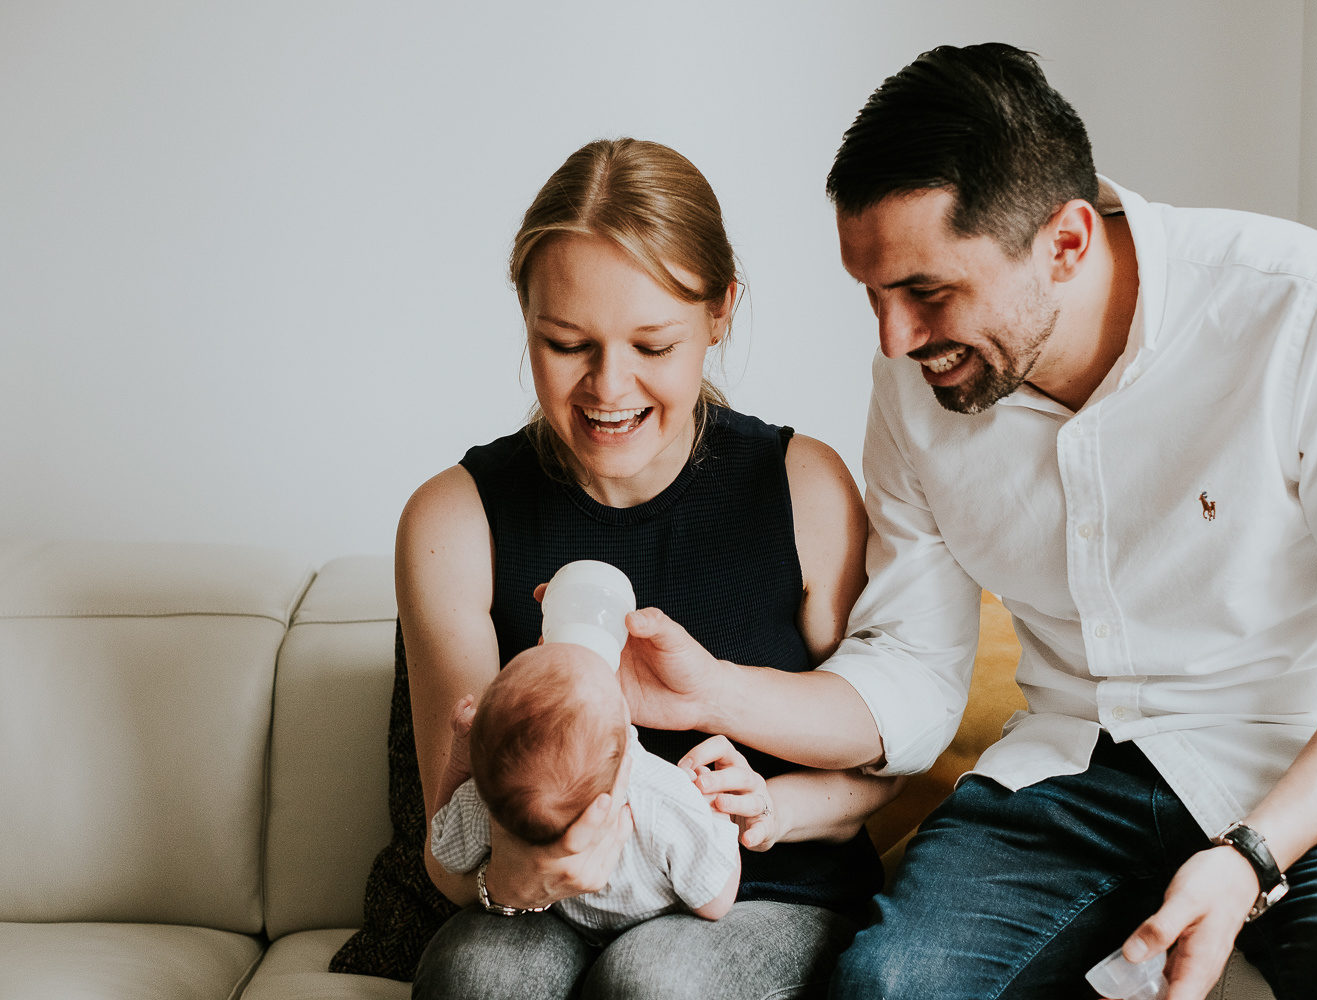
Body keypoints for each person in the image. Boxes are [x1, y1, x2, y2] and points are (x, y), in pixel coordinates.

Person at [616, 43, 1317, 1000]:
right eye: (872, 292)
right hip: (1066, 776)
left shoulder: (1308, 310)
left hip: (1312, 771)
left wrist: (1249, 855)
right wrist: (713, 692)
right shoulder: (914, 384)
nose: (894, 340)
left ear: (1065, 241)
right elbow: (912, 662)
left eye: (927, 293)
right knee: (890, 989)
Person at [332, 136, 902, 999]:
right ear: (525, 318)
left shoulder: (806, 490)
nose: (608, 388)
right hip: (548, 906)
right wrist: (507, 878)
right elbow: (451, 851)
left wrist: (766, 810)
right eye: (566, 343)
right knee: (479, 981)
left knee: (658, 983)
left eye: (653, 345)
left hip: (766, 891)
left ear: (721, 314)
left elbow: (879, 771)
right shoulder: (454, 519)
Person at [428, 642, 741, 937]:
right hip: (658, 925)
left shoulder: (482, 802)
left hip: (557, 921)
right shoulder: (663, 795)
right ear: (623, 716)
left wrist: (459, 763)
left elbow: (443, 849)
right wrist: (717, 815)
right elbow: (715, 901)